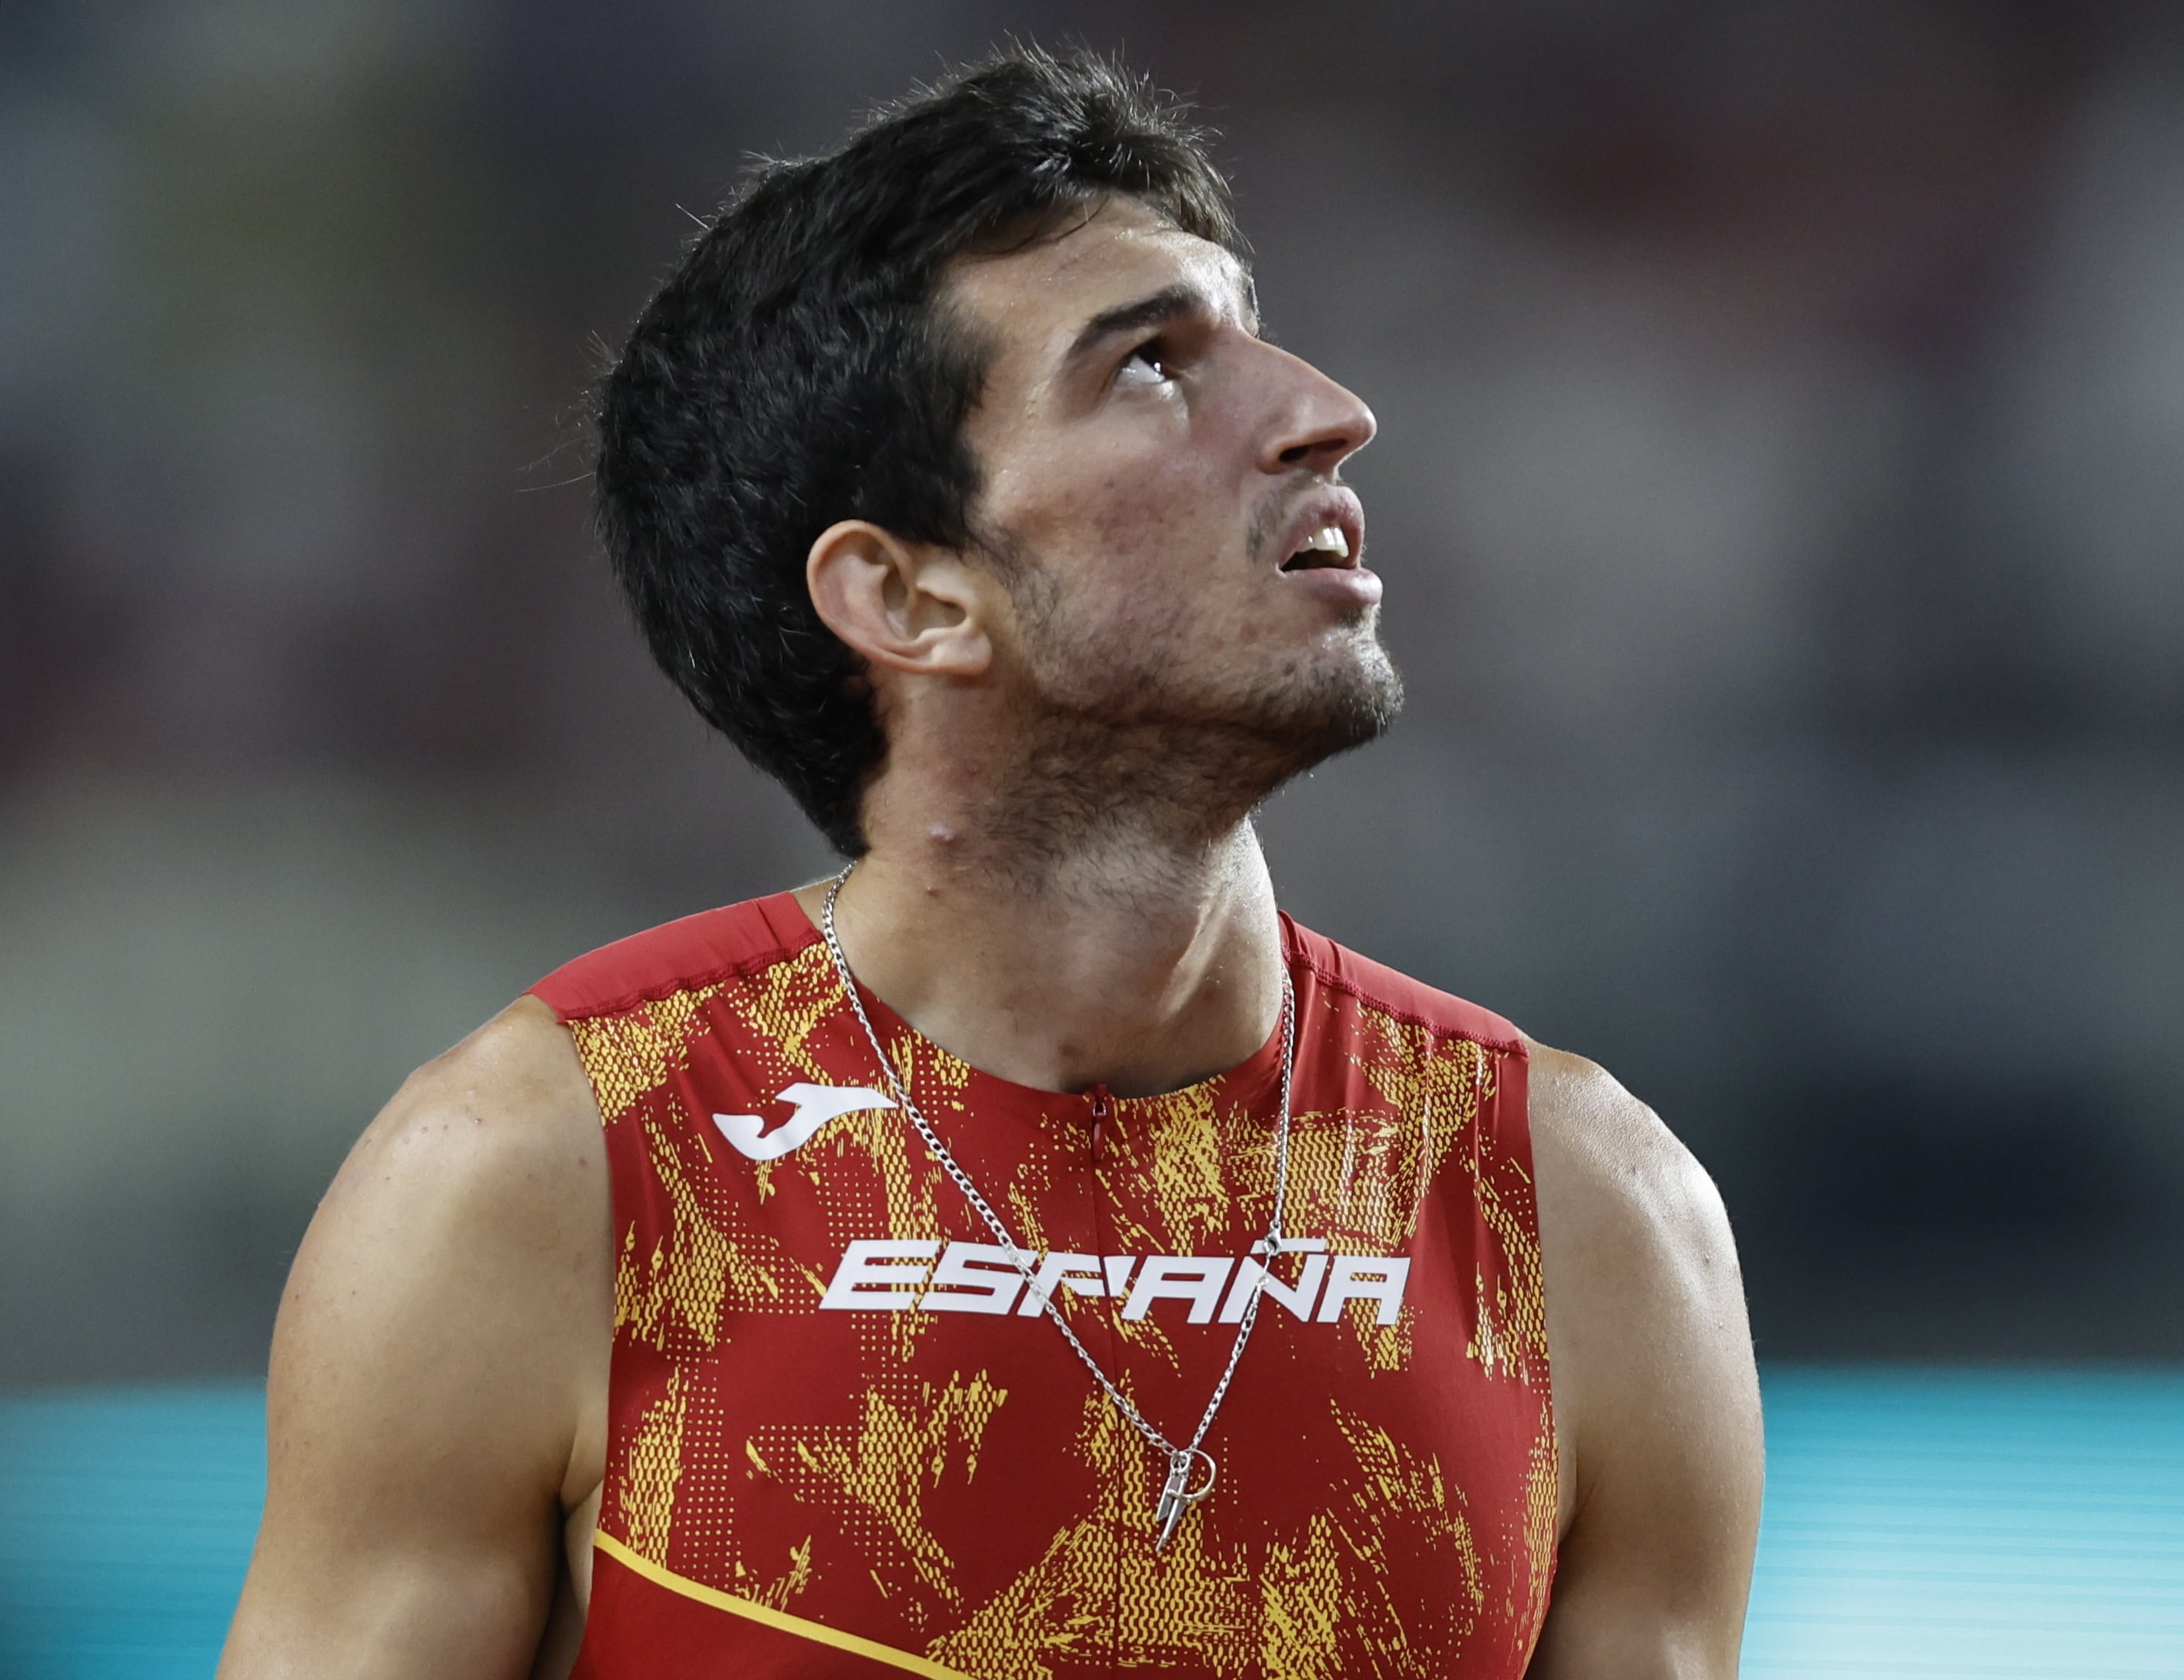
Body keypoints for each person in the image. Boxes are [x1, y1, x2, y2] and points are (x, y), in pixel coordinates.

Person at [218, 46, 1762, 1680]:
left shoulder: (1579, 1209)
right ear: (909, 598)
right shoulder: (545, 1174)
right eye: (1154, 366)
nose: (1325, 412)